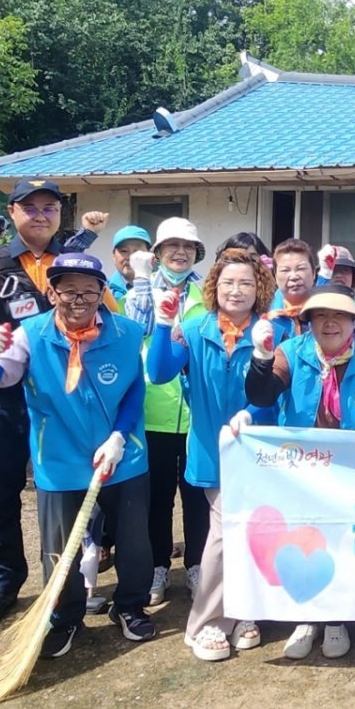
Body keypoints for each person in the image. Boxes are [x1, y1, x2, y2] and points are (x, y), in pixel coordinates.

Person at [0, 253, 154, 658]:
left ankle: (130, 606)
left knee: (133, 540)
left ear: (103, 293)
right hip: (59, 459)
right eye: (68, 289)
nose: (79, 298)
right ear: (51, 292)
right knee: (60, 548)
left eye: (89, 290)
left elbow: (134, 390)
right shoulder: (27, 335)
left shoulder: (127, 331)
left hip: (123, 458)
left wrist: (120, 437)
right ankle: (66, 615)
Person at [0, 178, 112, 628]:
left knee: (64, 493)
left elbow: (108, 318)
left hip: (61, 400)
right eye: (30, 207)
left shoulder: (73, 262)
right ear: (13, 212)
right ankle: (1, 581)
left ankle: (70, 579)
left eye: (50, 207)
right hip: (1, 396)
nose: (41, 215)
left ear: (61, 213)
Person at [147, 247, 277, 661]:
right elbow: (159, 372)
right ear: (213, 288)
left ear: (259, 288)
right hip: (211, 448)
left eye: (244, 282)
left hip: (258, 450)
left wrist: (249, 412)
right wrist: (165, 323)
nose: (235, 290)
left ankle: (244, 613)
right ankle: (205, 623)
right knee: (224, 535)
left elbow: (276, 390)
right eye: (227, 283)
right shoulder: (196, 326)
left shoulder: (273, 331)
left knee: (251, 532)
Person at [242, 285, 355, 660]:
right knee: (304, 537)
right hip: (300, 468)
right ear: (308, 323)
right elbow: (263, 395)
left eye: (339, 316)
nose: (329, 323)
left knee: (341, 540)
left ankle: (336, 617)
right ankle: (305, 617)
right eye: (320, 316)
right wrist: (262, 357)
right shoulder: (293, 352)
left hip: (352, 471)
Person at [125, 218, 210, 606]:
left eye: (188, 247)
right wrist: (143, 281)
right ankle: (159, 565)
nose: (180, 252)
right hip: (152, 412)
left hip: (196, 414)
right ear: (156, 253)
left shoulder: (206, 293)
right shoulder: (140, 290)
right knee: (157, 497)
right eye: (171, 246)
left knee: (196, 495)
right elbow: (137, 327)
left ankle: (196, 564)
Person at [266, 238, 317, 343]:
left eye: (301, 269)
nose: (293, 276)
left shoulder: (326, 312)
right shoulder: (265, 314)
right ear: (275, 276)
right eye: (285, 270)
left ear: (313, 273)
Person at [107, 225, 152, 302]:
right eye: (124, 251)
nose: (130, 257)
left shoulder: (161, 289)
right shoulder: (103, 290)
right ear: (114, 256)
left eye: (137, 251)